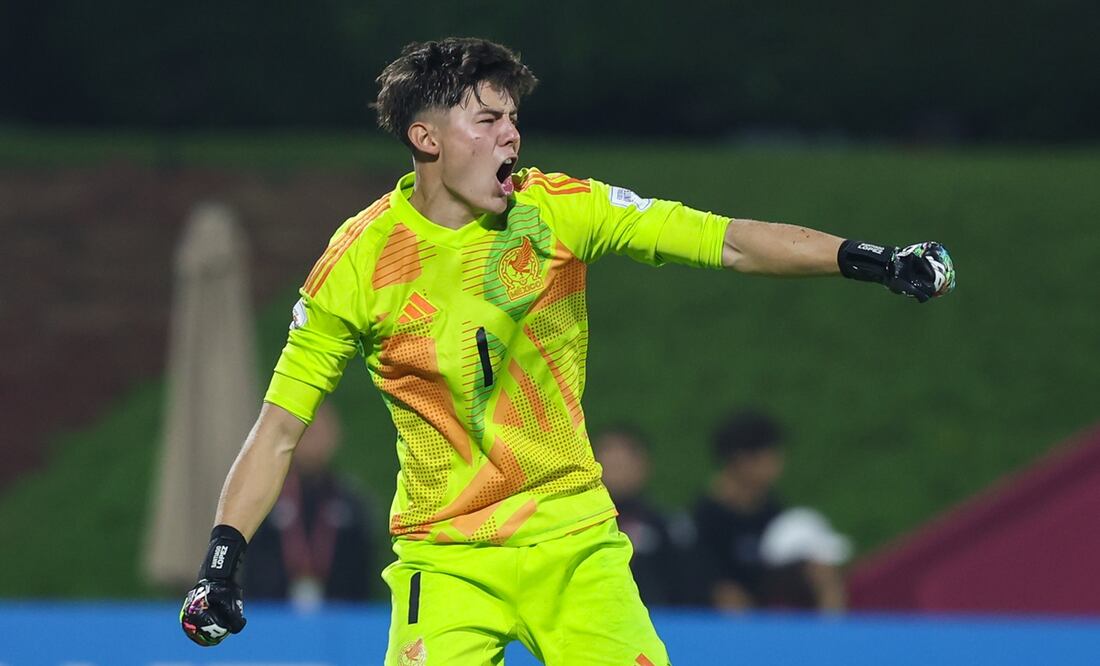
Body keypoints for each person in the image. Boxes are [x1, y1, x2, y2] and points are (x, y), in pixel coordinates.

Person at [179, 37, 956, 664]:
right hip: (445, 560)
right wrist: (220, 562)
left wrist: (871, 259)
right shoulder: (358, 262)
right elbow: (278, 430)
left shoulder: (558, 211)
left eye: (513, 118)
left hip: (574, 543)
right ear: (426, 137)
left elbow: (727, 241)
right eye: (487, 119)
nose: (510, 135)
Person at [242, 404, 375, 610]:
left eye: (318, 433)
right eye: (306, 432)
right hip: (271, 618)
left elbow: (364, 580)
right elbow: (252, 573)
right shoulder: (266, 501)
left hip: (342, 620)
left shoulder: (353, 505)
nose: (312, 441)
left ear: (335, 437)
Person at [691, 409, 788, 610]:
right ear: (743, 460)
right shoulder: (701, 521)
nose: (778, 463)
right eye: (770, 455)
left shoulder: (774, 514)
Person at [592, 426, 682, 607]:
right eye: (610, 464)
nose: (615, 472)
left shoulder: (665, 528)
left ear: (643, 466)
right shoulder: (575, 525)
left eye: (622, 465)